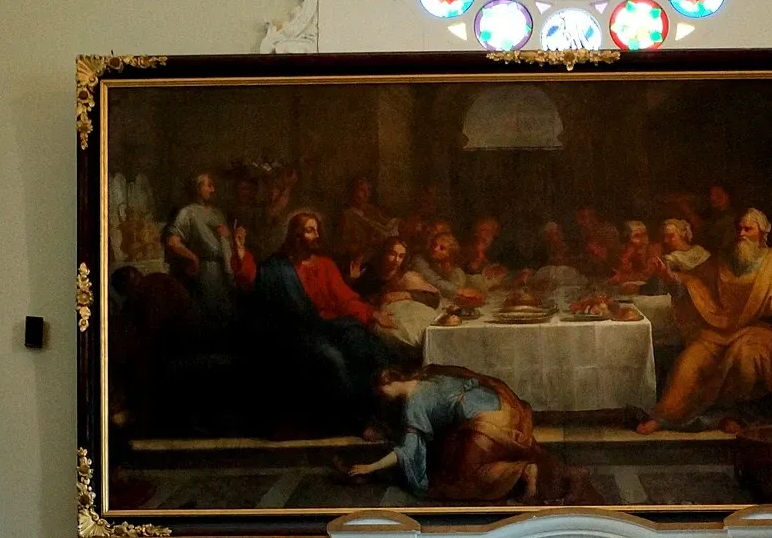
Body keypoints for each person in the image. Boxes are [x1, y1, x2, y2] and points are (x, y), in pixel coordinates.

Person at [638, 207, 772, 431]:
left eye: (748, 229)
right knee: (690, 361)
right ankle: (664, 416)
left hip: (755, 331)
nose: (742, 234)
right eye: (739, 229)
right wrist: (667, 276)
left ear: (762, 233)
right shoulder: (723, 260)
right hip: (717, 331)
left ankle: (737, 416)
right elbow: (692, 285)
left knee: (745, 358)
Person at [348, 366, 588, 505]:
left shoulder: (413, 404)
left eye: (383, 393)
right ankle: (554, 472)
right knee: (468, 453)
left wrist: (371, 467)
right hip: (502, 406)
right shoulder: (430, 377)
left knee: (465, 479)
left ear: (389, 385)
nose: (385, 398)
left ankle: (523, 471)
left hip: (485, 424)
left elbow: (408, 451)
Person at [252, 211, 400, 426]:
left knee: (367, 348)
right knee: (334, 361)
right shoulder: (279, 267)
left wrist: (372, 313)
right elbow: (257, 287)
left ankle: (383, 413)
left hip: (333, 326)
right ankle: (354, 420)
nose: (316, 235)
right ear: (296, 234)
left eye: (317, 230)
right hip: (301, 331)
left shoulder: (325, 264)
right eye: (310, 230)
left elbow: (345, 299)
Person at [163, 173, 252, 324]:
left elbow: (227, 244)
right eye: (208, 185)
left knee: (228, 315)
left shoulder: (218, 213)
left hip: (226, 269)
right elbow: (172, 241)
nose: (213, 189)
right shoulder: (187, 212)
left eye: (213, 185)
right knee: (210, 315)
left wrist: (236, 238)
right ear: (198, 188)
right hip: (207, 271)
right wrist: (193, 257)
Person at [354, 237, 444, 356]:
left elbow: (434, 298)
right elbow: (356, 297)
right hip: (374, 320)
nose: (396, 260)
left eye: (401, 256)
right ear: (383, 253)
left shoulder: (406, 276)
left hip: (405, 322)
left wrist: (405, 294)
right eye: (392, 254)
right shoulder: (368, 272)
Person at [411, 227, 485, 309]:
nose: (435, 249)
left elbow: (455, 291)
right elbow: (434, 281)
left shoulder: (454, 269)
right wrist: (459, 291)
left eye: (442, 248)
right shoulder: (419, 259)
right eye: (434, 244)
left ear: (449, 253)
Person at [334, 174, 397, 264]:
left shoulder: (372, 210)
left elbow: (388, 224)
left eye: (368, 190)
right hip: (362, 260)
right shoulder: (345, 216)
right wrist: (368, 243)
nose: (366, 194)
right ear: (352, 192)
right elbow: (342, 248)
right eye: (361, 190)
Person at [648, 217, 709, 283]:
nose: (666, 240)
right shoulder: (672, 258)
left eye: (671, 236)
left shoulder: (698, 249)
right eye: (665, 237)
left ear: (682, 234)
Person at [575, 205, 622, 276]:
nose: (586, 221)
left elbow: (612, 259)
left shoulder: (608, 232)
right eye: (581, 218)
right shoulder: (583, 234)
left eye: (590, 216)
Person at [610, 220, 655, 288]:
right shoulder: (625, 251)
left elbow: (648, 275)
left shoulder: (653, 249)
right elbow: (619, 272)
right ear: (628, 239)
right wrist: (628, 255)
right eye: (637, 236)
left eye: (644, 235)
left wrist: (623, 278)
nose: (643, 239)